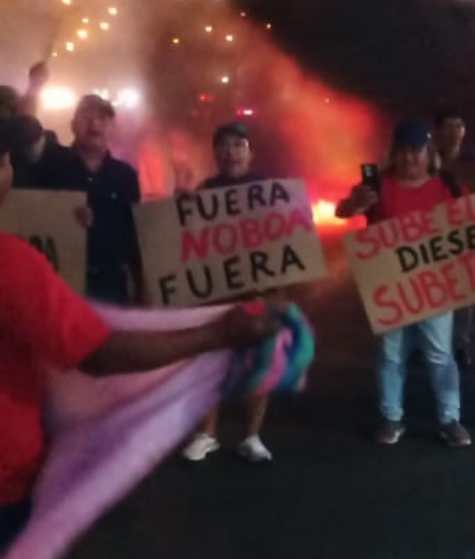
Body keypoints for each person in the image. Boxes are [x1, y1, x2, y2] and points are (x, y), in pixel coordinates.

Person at [0, 115, 280, 550]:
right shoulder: (12, 265)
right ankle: (206, 432)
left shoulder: (127, 178)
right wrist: (214, 335)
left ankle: (248, 433)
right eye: (2, 161)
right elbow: (99, 353)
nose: (10, 171)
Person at [336, 120, 471, 447]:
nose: (411, 158)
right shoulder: (378, 186)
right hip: (391, 285)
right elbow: (343, 211)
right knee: (391, 353)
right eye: (405, 151)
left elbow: (472, 223)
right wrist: (357, 203)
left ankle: (449, 418)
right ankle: (391, 417)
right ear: (394, 154)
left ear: (429, 153)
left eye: (417, 151)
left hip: (435, 285)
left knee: (440, 355)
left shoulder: (447, 186)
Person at [180, 123, 284, 464]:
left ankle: (251, 436)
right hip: (215, 296)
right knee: (209, 364)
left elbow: (286, 238)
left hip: (258, 294)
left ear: (251, 153)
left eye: (239, 144)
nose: (231, 151)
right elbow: (187, 238)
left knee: (260, 363)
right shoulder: (204, 191)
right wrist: (180, 204)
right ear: (216, 154)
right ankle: (206, 434)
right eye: (223, 145)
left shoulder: (268, 191)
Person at [30, 95, 144, 305]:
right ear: (72, 125)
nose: (94, 123)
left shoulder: (125, 176)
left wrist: (142, 288)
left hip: (111, 288)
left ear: (112, 127)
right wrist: (64, 218)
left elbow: (134, 236)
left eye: (102, 118)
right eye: (86, 116)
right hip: (59, 287)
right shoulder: (49, 166)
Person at [433, 109, 475, 369]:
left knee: (463, 298)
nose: (453, 132)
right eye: (447, 126)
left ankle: (459, 345)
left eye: (458, 126)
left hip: (465, 236)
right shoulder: (423, 161)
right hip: (432, 236)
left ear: (464, 130)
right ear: (437, 131)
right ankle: (429, 345)